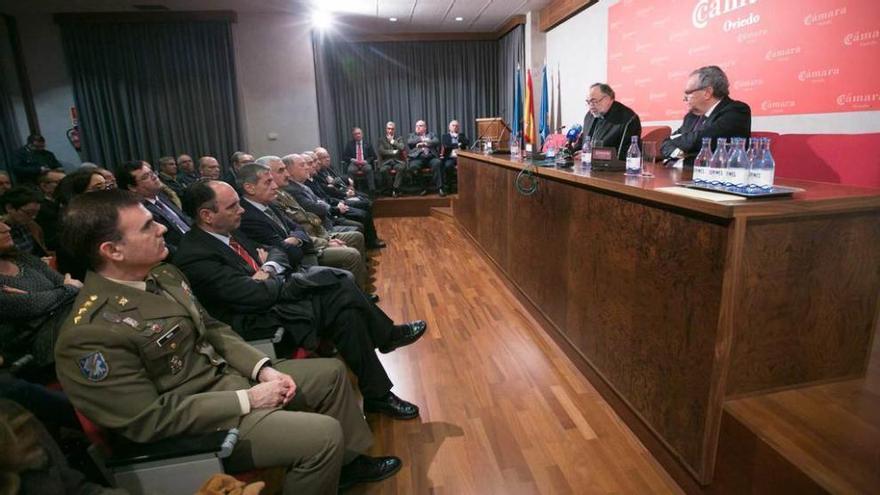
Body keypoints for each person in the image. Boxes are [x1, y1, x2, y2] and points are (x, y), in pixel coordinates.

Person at [54, 189, 404, 493]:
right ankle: (326, 462)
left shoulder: (163, 275)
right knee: (323, 435)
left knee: (330, 373)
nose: (163, 227)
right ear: (112, 251)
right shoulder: (90, 333)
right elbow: (147, 420)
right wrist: (247, 398)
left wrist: (262, 368)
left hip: (230, 383)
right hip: (198, 426)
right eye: (147, 226)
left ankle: (346, 467)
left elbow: (212, 328)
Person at [174, 180, 425, 420]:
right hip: (258, 322)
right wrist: (268, 274)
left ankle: (378, 393)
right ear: (207, 215)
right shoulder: (195, 255)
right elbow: (254, 295)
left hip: (273, 299)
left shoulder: (228, 230)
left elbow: (275, 250)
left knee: (347, 310)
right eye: (232, 206)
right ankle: (387, 340)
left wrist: (268, 269)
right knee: (338, 281)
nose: (241, 210)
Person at [258, 156, 369, 290]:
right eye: (281, 171)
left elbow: (305, 221)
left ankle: (360, 290)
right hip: (306, 250)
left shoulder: (282, 195)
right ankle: (357, 296)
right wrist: (325, 241)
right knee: (351, 253)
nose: (286, 174)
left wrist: (326, 238)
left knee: (357, 233)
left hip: (316, 236)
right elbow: (304, 224)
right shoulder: (277, 197)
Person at [0, 220, 80, 370]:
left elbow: (64, 285)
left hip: (64, 327)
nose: (7, 227)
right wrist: (67, 289)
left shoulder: (21, 258)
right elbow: (33, 305)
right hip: (31, 349)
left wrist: (37, 297)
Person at [660, 65, 752, 167]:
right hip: (683, 173)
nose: (684, 99)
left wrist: (678, 143)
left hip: (716, 178)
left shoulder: (736, 111)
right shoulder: (691, 117)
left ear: (707, 93)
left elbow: (703, 140)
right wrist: (678, 153)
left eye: (688, 93)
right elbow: (666, 143)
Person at [115, 160, 191, 254]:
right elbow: (161, 246)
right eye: (146, 177)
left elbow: (185, 220)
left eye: (151, 173)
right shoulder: (139, 212)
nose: (154, 177)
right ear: (132, 187)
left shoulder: (161, 196)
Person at [574, 83, 641, 161]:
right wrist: (569, 151)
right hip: (586, 168)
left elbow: (625, 154)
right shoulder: (589, 116)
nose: (591, 106)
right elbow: (583, 142)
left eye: (594, 101)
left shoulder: (628, 119)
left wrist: (593, 155)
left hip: (612, 171)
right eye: (588, 102)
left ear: (607, 99)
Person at [1, 187, 48, 257]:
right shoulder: (2, 231)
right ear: (9, 208)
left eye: (36, 213)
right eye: (28, 213)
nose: (33, 217)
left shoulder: (33, 225)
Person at [406, 120, 441, 196]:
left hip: (430, 157)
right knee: (413, 167)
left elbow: (436, 141)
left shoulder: (431, 134)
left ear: (425, 127)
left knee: (437, 163)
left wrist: (426, 143)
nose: (417, 127)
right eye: (416, 126)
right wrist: (421, 139)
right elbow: (410, 142)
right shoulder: (412, 135)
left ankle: (439, 188)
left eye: (420, 126)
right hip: (418, 158)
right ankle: (423, 187)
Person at [35, 170, 66, 250]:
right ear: (44, 186)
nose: (65, 186)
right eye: (60, 182)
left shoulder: (63, 202)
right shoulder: (40, 208)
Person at [341, 128, 377, 195]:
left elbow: (373, 156)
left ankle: (372, 190)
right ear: (353, 136)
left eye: (359, 133)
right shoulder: (349, 144)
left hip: (364, 163)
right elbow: (344, 157)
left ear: (362, 134)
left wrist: (366, 161)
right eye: (355, 134)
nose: (357, 135)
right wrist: (352, 159)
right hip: (354, 163)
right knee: (350, 170)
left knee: (369, 169)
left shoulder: (368, 144)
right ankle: (351, 190)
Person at [438, 120, 470, 196]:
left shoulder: (461, 135)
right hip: (450, 157)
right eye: (453, 125)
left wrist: (458, 139)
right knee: (448, 166)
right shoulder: (445, 136)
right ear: (449, 127)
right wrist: (458, 144)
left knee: (469, 166)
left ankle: (465, 188)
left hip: (462, 157)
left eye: (456, 126)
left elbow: (467, 142)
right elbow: (446, 145)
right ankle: (449, 186)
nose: (455, 127)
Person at [376, 121, 407, 197]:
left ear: (394, 130)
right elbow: (382, 151)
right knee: (383, 170)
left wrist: (392, 141)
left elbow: (402, 147)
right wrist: (393, 152)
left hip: (397, 161)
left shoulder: (399, 138)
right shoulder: (381, 139)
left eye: (392, 129)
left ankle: (395, 189)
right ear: (386, 129)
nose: (390, 131)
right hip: (386, 162)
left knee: (401, 168)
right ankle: (391, 188)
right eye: (388, 129)